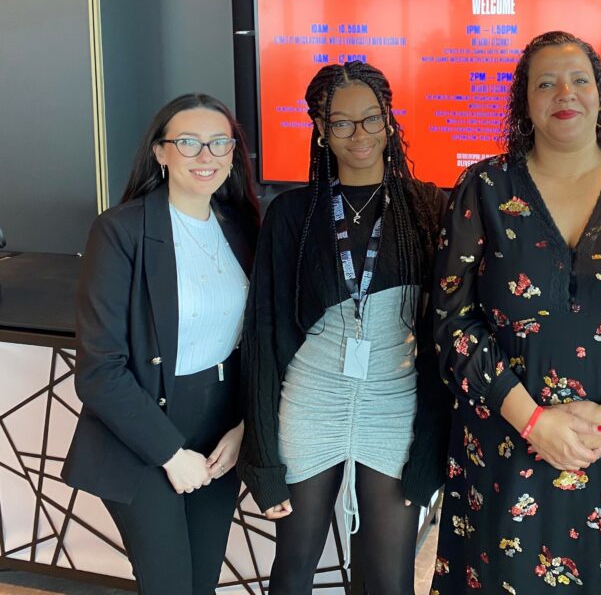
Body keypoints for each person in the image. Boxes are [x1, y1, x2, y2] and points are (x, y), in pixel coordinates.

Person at [429, 30, 601, 594]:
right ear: (525, 101)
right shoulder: (481, 187)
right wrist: (534, 421)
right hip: (507, 449)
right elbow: (451, 323)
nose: (566, 93)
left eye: (580, 79)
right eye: (546, 82)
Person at [238, 62, 448, 594]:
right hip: (310, 402)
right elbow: (263, 334)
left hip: (393, 402)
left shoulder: (427, 207)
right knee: (293, 569)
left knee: (390, 577)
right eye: (341, 123)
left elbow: (450, 325)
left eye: (372, 119)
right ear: (319, 128)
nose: (360, 136)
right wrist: (261, 460)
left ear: (389, 121)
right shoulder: (292, 214)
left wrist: (435, 445)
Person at [63, 94, 260, 595]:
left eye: (219, 143)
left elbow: (249, 346)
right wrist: (171, 454)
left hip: (218, 433)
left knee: (201, 585)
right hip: (143, 435)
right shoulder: (120, 231)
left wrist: (241, 427)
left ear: (233, 155)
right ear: (160, 153)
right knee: (170, 586)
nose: (206, 155)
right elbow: (99, 371)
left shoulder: (241, 229)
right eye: (188, 142)